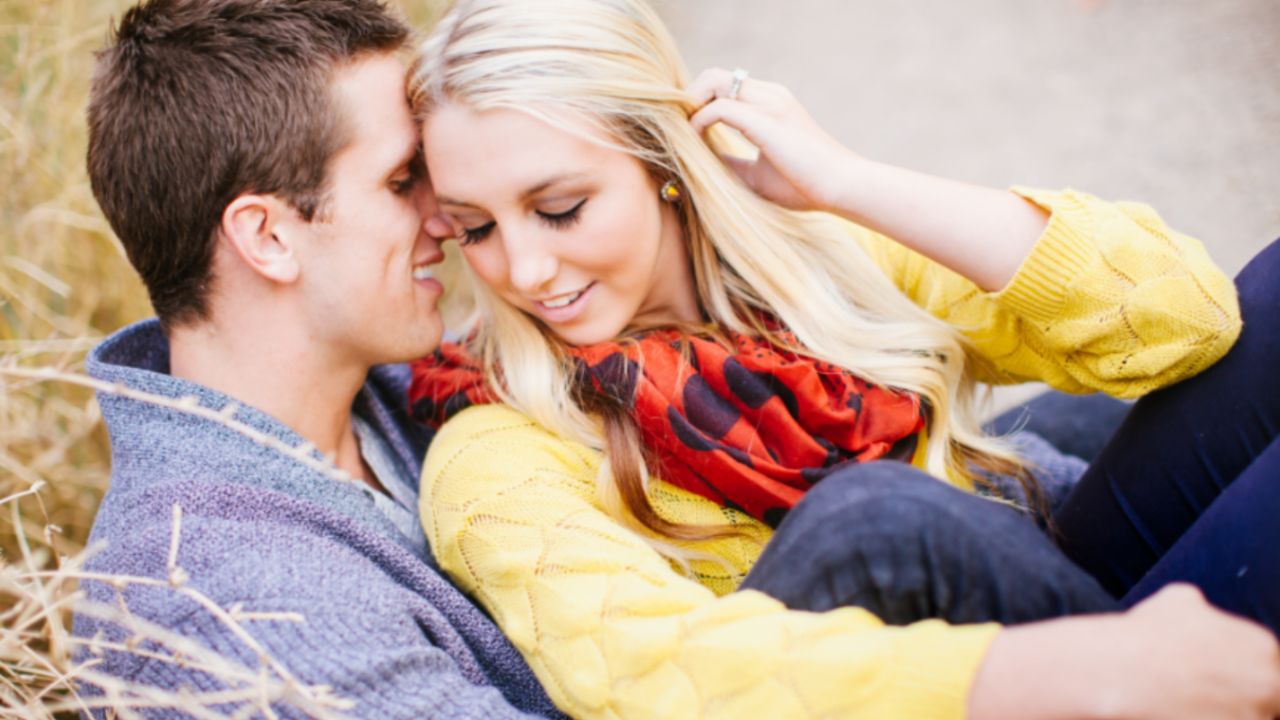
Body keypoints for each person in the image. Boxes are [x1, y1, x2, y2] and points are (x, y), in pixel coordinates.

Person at [405, 0, 1280, 719]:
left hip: (1050, 592)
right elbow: (647, 673)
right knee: (880, 518)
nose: (522, 271)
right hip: (949, 695)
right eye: (474, 228)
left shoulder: (809, 260)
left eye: (559, 208)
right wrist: (1084, 673)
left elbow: (1184, 321)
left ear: (663, 162)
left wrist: (847, 183)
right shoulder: (493, 453)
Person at [74, 0, 570, 717]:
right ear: (269, 236)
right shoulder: (224, 606)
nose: (447, 219)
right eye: (403, 182)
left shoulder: (405, 396)